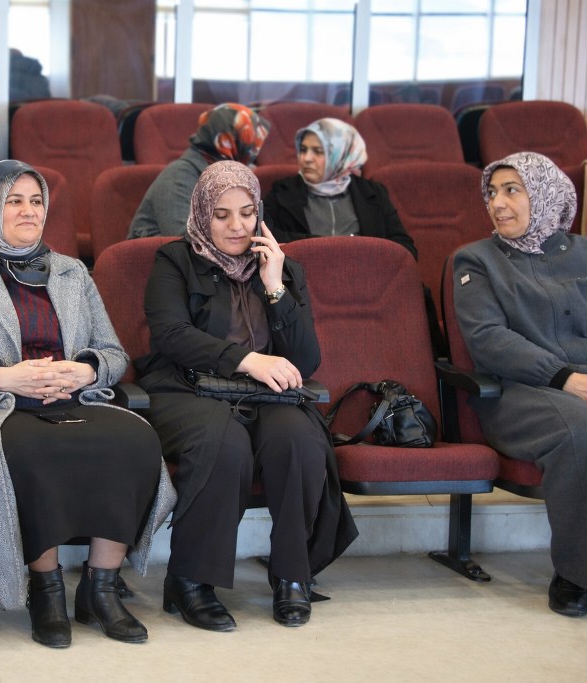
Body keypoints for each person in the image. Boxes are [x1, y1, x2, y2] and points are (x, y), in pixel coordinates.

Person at [0, 160, 175, 648]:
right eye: (13, 201)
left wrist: (87, 370)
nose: (29, 211)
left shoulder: (72, 271)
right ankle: (46, 589)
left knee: (135, 439)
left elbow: (114, 353)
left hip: (74, 399)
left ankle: (100, 587)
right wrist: (2, 375)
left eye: (36, 201)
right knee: (31, 449)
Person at [137, 160, 358, 630]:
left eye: (247, 212)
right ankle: (191, 580)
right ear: (203, 214)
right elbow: (170, 335)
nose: (237, 226)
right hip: (186, 387)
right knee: (224, 444)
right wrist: (248, 360)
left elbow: (306, 359)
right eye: (221, 215)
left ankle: (292, 575)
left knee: (299, 441)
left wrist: (275, 286)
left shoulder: (284, 268)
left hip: (266, 395)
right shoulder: (174, 260)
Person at [452, 151, 587, 618]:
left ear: (544, 195)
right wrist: (567, 379)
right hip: (523, 393)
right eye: (492, 193)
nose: (497, 203)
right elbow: (488, 340)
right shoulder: (476, 260)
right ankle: (579, 573)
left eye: (512, 190)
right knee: (585, 431)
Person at [263, 117, 416, 258]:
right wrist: (326, 246)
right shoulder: (282, 192)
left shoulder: (373, 192)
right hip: (307, 275)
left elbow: (405, 248)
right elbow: (265, 236)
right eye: (303, 149)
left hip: (367, 273)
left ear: (341, 155)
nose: (306, 158)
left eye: (318, 151)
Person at [128, 103, 268, 239]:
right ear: (230, 140)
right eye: (252, 142)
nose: (255, 151)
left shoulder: (235, 173)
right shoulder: (178, 176)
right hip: (153, 254)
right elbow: (183, 239)